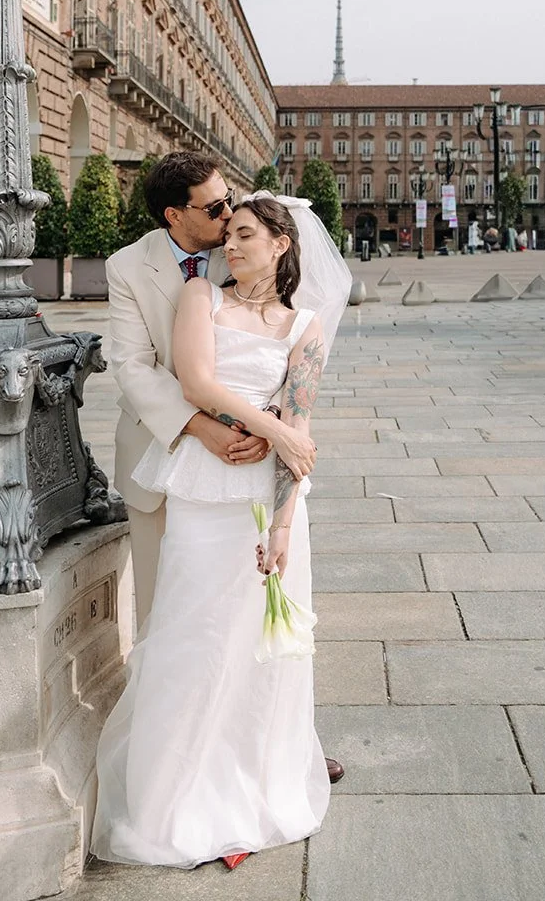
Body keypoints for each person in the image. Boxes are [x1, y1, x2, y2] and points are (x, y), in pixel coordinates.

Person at [93, 192, 351, 870]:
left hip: (267, 505)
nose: (227, 247)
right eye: (226, 236)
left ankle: (252, 786)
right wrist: (266, 428)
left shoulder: (306, 326)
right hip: (205, 491)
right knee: (193, 635)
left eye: (242, 236)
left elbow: (299, 426)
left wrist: (286, 524)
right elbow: (199, 383)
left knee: (263, 648)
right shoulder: (200, 301)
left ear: (280, 244)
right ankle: (172, 798)